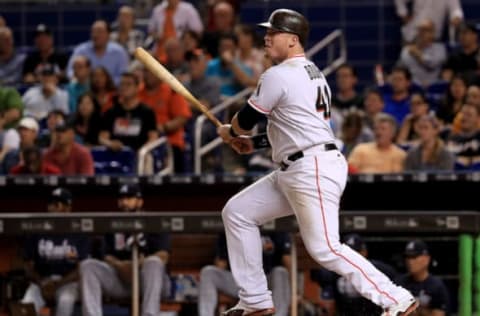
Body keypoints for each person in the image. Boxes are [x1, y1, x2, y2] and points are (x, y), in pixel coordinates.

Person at [216, 9, 418, 316]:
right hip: (299, 164)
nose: (266, 38)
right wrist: (252, 142)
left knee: (325, 247)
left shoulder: (278, 74)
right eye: (267, 32)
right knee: (238, 212)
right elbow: (295, 126)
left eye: (274, 33)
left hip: (311, 167)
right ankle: (255, 299)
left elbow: (244, 121)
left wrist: (232, 131)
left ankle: (395, 298)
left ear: (293, 39)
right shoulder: (309, 71)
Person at [80, 184, 172, 316]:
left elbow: (163, 255)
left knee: (153, 262)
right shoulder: (112, 223)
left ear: (140, 201)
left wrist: (137, 265)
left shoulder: (154, 221)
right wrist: (120, 266)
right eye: (121, 199)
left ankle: (149, 314)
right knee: (88, 266)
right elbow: (106, 255)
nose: (124, 202)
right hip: (121, 278)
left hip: (149, 281)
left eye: (129, 198)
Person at [21, 187, 89, 316]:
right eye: (51, 204)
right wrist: (41, 283)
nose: (53, 208)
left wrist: (58, 285)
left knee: (65, 301)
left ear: (69, 208)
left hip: (68, 283)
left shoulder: (79, 232)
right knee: (26, 305)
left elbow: (82, 269)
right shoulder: (37, 230)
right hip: (41, 282)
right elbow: (27, 265)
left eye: (58, 204)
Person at [198, 233, 291, 316]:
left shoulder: (276, 228)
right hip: (238, 281)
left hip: (266, 282)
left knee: (280, 271)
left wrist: (295, 291)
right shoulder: (233, 224)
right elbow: (221, 263)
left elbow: (287, 260)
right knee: (208, 272)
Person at [311, 234, 399, 316]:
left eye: (355, 252)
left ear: (364, 252)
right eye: (348, 253)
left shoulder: (380, 270)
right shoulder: (334, 272)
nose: (352, 257)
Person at [396, 240, 450, 315]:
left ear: (426, 259)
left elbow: (440, 313)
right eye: (408, 257)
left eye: (414, 257)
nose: (410, 261)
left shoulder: (436, 286)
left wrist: (416, 310)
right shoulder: (399, 283)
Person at [67, 20, 129, 85]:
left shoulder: (119, 52)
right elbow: (70, 72)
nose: (95, 35)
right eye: (93, 32)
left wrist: (106, 84)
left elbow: (123, 75)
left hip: (113, 91)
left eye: (99, 32)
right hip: (84, 90)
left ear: (108, 34)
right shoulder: (80, 50)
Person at [397, 19, 447, 88]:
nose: (421, 33)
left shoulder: (440, 49)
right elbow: (399, 70)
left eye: (425, 30)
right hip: (411, 89)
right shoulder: (406, 50)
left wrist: (417, 54)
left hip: (433, 88)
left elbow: (431, 64)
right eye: (419, 30)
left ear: (433, 33)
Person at [394, 0, 463, 43]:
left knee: (431, 62)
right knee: (408, 61)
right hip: (414, 34)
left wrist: (456, 17)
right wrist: (404, 15)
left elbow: (456, 9)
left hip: (433, 36)